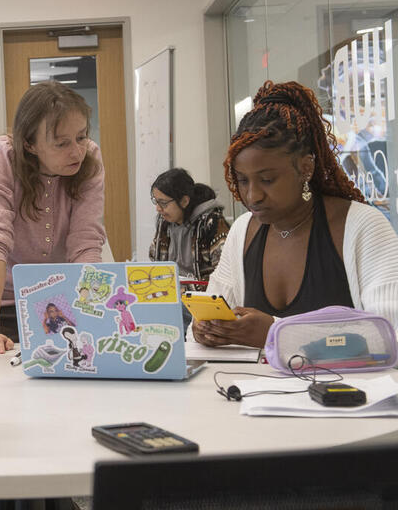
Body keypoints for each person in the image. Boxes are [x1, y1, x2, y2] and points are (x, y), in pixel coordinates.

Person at [195, 80, 398, 349]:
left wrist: (277, 333)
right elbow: (214, 313)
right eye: (243, 181)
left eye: (267, 179)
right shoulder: (243, 230)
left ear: (305, 167)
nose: (253, 196)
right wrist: (206, 331)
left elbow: (389, 335)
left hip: (346, 391)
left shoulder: (362, 226)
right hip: (256, 390)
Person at [0, 80, 106, 354]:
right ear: (29, 144)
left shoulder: (90, 158)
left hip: (50, 302)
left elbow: (86, 244)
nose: (77, 151)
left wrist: (94, 319)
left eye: (81, 137)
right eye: (61, 143)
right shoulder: (2, 155)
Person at [149, 168, 230, 330]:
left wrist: (185, 290)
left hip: (202, 298)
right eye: (156, 201)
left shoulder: (212, 222)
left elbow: (223, 275)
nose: (158, 208)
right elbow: (155, 261)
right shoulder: (164, 221)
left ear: (184, 201)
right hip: (172, 295)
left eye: (163, 203)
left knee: (173, 314)